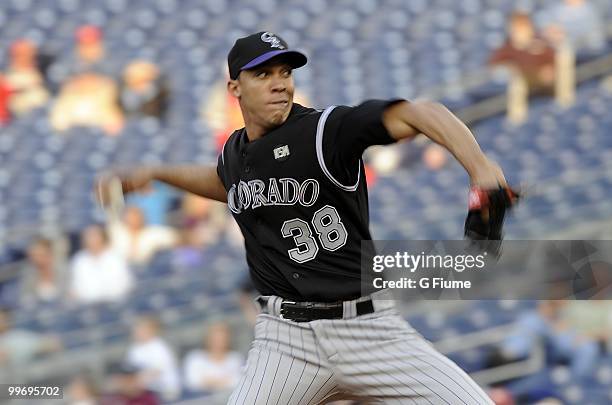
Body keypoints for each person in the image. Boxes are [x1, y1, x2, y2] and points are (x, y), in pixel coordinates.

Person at [98, 31, 517, 403]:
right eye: (263, 75)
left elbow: (420, 112)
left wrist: (478, 166)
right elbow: (225, 183)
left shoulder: (325, 131)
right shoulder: (234, 152)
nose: (279, 83)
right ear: (234, 87)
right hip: (286, 340)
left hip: (368, 329)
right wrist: (156, 173)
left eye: (285, 72)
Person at [489, 12, 556, 94]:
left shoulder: (540, 45)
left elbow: (552, 64)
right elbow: (494, 65)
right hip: (521, 89)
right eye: (518, 28)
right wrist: (510, 67)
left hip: (543, 89)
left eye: (523, 27)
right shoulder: (507, 48)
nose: (521, 32)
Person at [69, 225, 133, 303]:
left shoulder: (116, 258)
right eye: (89, 236)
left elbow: (123, 286)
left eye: (95, 236)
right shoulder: (79, 260)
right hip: (87, 306)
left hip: (114, 304)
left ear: (102, 237)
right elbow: (77, 289)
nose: (92, 240)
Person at [126, 316, 181, 401]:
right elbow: (130, 371)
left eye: (141, 329)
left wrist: (138, 382)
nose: (137, 332)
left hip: (165, 390)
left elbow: (157, 371)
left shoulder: (159, 346)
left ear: (150, 330)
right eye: (136, 330)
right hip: (144, 390)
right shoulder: (134, 349)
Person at [183, 322, 244, 394]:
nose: (219, 341)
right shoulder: (195, 358)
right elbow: (192, 382)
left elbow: (240, 381)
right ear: (208, 339)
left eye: (223, 338)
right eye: (215, 338)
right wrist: (224, 381)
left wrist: (210, 381)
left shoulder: (236, 358)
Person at [109, 205, 178, 267]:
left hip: (147, 268)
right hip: (122, 268)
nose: (134, 218)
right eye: (131, 215)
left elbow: (176, 237)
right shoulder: (117, 232)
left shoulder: (154, 232)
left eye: (137, 215)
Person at [4, 39, 49, 116]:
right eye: (21, 54)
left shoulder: (39, 79)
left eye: (30, 54)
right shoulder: (6, 79)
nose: (26, 57)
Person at [19, 237, 67, 306]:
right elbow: (25, 298)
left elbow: (67, 296)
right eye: (34, 255)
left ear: (49, 255)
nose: (36, 259)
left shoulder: (62, 271)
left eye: (40, 255)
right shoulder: (28, 273)